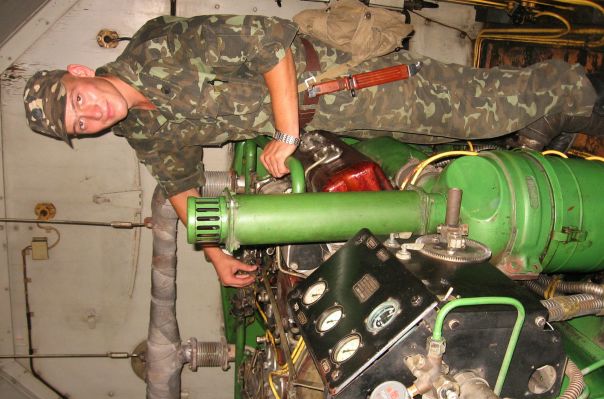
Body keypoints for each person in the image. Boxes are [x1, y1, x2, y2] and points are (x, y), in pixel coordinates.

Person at [23, 14, 602, 287]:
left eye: (79, 100)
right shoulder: (142, 128)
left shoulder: (158, 48)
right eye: (79, 124)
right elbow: (177, 181)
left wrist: (286, 135)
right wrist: (215, 254)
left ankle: (581, 94)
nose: (91, 116)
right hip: (342, 120)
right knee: (446, 140)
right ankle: (562, 128)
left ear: (81, 71)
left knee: (491, 106)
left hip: (352, 84)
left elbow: (271, 46)